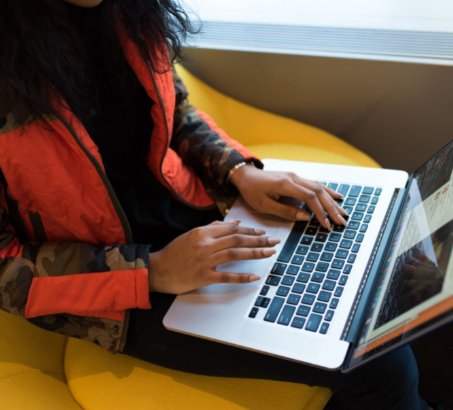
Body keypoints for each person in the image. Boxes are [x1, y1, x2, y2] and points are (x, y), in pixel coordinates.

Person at [0, 1, 440, 409]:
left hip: (192, 211)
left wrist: (239, 173)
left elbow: (174, 111)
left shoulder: (128, 11)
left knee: (391, 263)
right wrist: (152, 270)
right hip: (113, 286)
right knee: (380, 362)